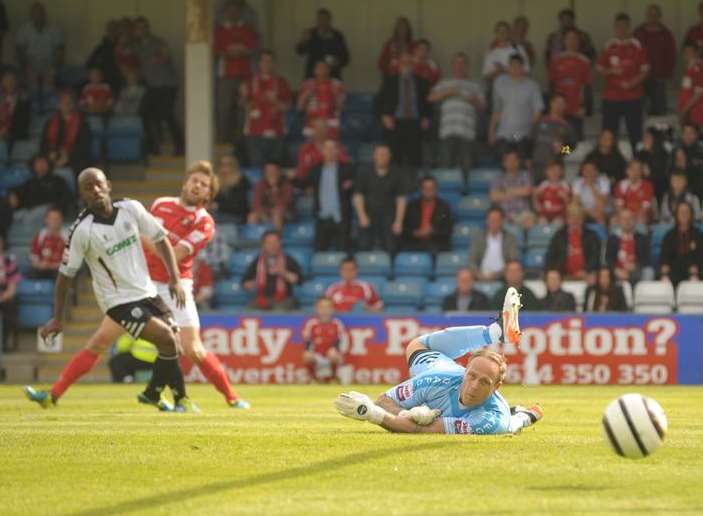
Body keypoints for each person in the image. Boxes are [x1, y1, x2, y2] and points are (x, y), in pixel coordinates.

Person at [24, 167, 197, 412]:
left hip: (147, 292)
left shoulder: (131, 209)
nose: (95, 190)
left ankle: (158, 395)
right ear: (81, 194)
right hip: (118, 302)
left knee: (173, 345)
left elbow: (160, 239)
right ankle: (173, 398)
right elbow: (65, 276)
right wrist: (57, 317)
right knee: (166, 339)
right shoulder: (82, 231)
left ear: (108, 185)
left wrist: (175, 278)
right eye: (87, 187)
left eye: (98, 184)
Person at [334, 289, 543, 435]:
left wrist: (373, 414)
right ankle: (495, 332)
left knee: (507, 426)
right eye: (471, 376)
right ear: (464, 372)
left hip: (496, 414)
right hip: (435, 358)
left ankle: (525, 415)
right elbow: (384, 400)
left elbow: (421, 430)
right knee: (416, 346)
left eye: (484, 382)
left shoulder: (491, 418)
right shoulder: (436, 379)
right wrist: (406, 413)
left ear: (497, 387)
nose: (473, 386)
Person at [140, 161, 249, 408]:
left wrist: (146, 239)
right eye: (194, 181)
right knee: (163, 344)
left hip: (176, 286)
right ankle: (164, 397)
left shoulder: (205, 223)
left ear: (208, 195)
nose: (197, 186)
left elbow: (175, 255)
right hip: (145, 284)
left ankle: (232, 397)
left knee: (193, 348)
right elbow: (144, 237)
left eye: (204, 185)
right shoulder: (160, 204)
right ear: (185, 182)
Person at [428, 52, 484, 189]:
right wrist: (449, 92)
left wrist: (474, 100)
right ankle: (445, 193)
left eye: (463, 63)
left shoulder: (475, 85)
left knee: (466, 165)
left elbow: (482, 106)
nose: (460, 65)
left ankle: (465, 192)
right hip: (447, 131)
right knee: (446, 164)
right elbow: (430, 98)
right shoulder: (444, 82)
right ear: (452, 65)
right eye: (457, 63)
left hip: (467, 132)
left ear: (467, 66)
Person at [597, 13, 650, 152]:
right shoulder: (609, 45)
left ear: (629, 28)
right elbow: (600, 69)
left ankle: (638, 161)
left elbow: (645, 70)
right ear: (615, 28)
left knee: (635, 133)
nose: (621, 29)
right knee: (608, 133)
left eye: (624, 26)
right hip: (611, 97)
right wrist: (612, 71)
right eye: (618, 26)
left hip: (632, 97)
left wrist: (632, 83)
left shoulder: (637, 46)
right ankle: (607, 162)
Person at [134, 17, 184, 155]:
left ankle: (180, 146)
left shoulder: (157, 42)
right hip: (152, 86)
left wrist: (157, 58)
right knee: (145, 113)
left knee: (167, 115)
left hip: (167, 84)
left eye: (143, 27)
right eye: (138, 28)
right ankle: (153, 147)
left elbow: (165, 55)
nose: (141, 30)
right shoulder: (137, 46)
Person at [295, 139, 354, 252]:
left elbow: (358, 186)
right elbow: (301, 183)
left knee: (343, 253)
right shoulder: (315, 170)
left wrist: (352, 184)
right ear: (322, 151)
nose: (330, 151)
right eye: (327, 148)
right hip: (322, 218)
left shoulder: (348, 169)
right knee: (319, 252)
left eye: (333, 148)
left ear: (337, 151)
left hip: (341, 218)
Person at [378, 52, 431, 170]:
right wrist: (384, 116)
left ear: (413, 65)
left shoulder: (422, 82)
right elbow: (378, 103)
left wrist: (426, 117)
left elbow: (428, 104)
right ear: (399, 65)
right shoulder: (389, 81)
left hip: (415, 123)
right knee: (395, 160)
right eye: (403, 62)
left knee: (415, 159)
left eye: (409, 63)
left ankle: (413, 186)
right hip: (395, 123)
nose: (406, 65)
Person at [214, 0, 258, 144]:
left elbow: (253, 49)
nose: (233, 13)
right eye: (230, 10)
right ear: (226, 11)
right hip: (225, 75)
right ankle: (222, 140)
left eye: (236, 10)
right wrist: (228, 52)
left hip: (245, 75)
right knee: (224, 108)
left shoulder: (247, 29)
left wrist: (242, 51)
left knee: (242, 108)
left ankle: (241, 140)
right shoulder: (220, 30)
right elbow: (216, 51)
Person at [240, 50, 292, 166]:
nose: (267, 64)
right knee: (257, 167)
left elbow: (287, 107)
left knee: (275, 167)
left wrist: (276, 101)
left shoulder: (281, 82)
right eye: (264, 61)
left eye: (270, 61)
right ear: (259, 63)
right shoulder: (249, 82)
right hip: (254, 132)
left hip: (277, 131)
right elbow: (243, 105)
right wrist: (243, 97)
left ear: (274, 63)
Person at [489, 53, 543, 160]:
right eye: (512, 65)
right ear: (508, 67)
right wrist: (491, 131)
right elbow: (496, 110)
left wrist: (563, 149)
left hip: (523, 135)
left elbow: (538, 112)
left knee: (522, 162)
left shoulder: (532, 86)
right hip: (503, 134)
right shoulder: (500, 83)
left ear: (523, 67)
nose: (514, 68)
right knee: (504, 162)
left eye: (517, 65)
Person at [353, 144, 406, 252]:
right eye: (379, 154)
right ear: (374, 156)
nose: (382, 157)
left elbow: (401, 199)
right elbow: (358, 196)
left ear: (390, 156)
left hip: (389, 218)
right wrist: (362, 216)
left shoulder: (397, 173)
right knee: (363, 248)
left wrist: (398, 221)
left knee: (391, 248)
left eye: (385, 154)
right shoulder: (363, 172)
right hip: (368, 216)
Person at [15, 2, 64, 104]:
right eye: (35, 13)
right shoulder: (24, 29)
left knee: (49, 87)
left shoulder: (54, 28)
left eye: (40, 13)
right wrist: (25, 68)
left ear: (44, 14)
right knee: (32, 88)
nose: (38, 16)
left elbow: (60, 51)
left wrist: (54, 69)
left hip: (49, 63)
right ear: (31, 15)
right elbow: (19, 51)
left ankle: (48, 110)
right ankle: (34, 108)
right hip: (31, 63)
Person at [548, 28, 592, 141]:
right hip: (559, 110)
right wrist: (551, 106)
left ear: (578, 41)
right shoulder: (556, 60)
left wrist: (585, 107)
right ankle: (561, 156)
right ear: (564, 41)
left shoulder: (584, 61)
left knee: (573, 143)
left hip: (576, 110)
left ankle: (567, 155)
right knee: (557, 141)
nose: (572, 41)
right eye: (569, 38)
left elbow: (587, 87)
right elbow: (551, 85)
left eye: (575, 38)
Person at [242, 230, 303, 311]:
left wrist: (283, 272)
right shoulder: (257, 261)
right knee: (248, 310)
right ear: (263, 245)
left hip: (285, 299)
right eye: (269, 243)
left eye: (275, 242)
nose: (272, 246)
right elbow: (245, 283)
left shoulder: (289, 260)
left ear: (280, 243)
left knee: (278, 310)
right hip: (263, 299)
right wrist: (255, 282)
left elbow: (299, 280)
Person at [633, 4, 676, 116]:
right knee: (639, 111)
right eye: (650, 14)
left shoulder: (666, 34)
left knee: (660, 111)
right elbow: (631, 53)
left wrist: (668, 74)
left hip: (659, 77)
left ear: (660, 16)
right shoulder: (638, 32)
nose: (652, 17)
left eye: (655, 15)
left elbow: (671, 55)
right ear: (646, 16)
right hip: (640, 78)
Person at [545, 203, 601, 283]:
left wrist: (587, 271)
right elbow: (550, 256)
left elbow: (595, 256)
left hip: (586, 276)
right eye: (572, 218)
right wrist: (556, 273)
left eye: (578, 218)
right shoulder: (559, 235)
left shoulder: (591, 236)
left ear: (582, 219)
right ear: (567, 219)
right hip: (563, 276)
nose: (575, 221)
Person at [40, 92, 92, 174]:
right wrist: (50, 153)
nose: (65, 105)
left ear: (73, 105)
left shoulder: (82, 123)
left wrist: (68, 157)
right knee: (38, 163)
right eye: (63, 102)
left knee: (80, 166)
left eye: (68, 102)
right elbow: (44, 142)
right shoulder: (50, 122)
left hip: (74, 157)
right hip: (53, 155)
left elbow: (84, 146)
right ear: (58, 105)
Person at [468, 206, 521, 281]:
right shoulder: (478, 238)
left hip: (503, 278)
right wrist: (479, 275)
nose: (493, 223)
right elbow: (472, 261)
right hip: (480, 277)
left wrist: (497, 275)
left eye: (497, 220)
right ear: (487, 220)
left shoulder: (510, 238)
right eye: (491, 220)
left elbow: (513, 261)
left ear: (502, 221)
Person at [9, 154, 74, 215]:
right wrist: (13, 195)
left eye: (43, 162)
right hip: (29, 213)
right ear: (33, 166)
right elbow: (19, 195)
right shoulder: (29, 182)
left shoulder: (58, 180)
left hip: (50, 212)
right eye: (38, 162)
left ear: (48, 164)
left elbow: (65, 199)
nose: (41, 165)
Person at [531, 94, 575, 183]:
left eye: (562, 103)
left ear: (565, 106)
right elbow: (530, 142)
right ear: (551, 103)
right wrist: (529, 159)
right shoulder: (540, 122)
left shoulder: (567, 126)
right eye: (556, 102)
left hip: (555, 168)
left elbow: (572, 147)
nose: (558, 106)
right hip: (538, 165)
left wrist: (562, 149)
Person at [402, 175, 452, 254]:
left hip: (436, 243)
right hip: (414, 242)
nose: (428, 190)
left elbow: (447, 230)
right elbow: (404, 228)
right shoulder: (411, 206)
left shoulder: (444, 207)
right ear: (421, 189)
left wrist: (432, 231)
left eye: (431, 188)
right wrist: (415, 233)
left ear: (436, 189)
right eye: (425, 188)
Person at [295, 8, 350, 79]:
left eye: (325, 19)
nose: (323, 22)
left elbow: (346, 59)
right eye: (320, 19)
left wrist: (337, 61)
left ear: (330, 20)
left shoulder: (338, 36)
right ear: (317, 21)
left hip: (333, 76)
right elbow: (299, 51)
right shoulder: (310, 33)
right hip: (313, 76)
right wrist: (303, 41)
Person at [297, 60, 345, 139]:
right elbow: (299, 107)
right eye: (319, 67)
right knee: (313, 149)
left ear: (329, 70)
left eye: (324, 67)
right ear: (314, 70)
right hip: (311, 123)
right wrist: (307, 94)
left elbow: (341, 108)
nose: (321, 70)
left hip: (330, 123)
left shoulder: (336, 84)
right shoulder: (307, 84)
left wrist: (335, 95)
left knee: (330, 149)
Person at [302, 297, 346, 383]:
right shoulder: (312, 324)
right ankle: (313, 379)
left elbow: (341, 341)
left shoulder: (337, 324)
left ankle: (333, 378)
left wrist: (335, 350)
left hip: (331, 355)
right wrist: (309, 351)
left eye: (327, 308)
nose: (324, 311)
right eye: (322, 307)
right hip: (317, 355)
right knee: (307, 355)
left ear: (332, 309)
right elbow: (307, 342)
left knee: (333, 354)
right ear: (317, 309)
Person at [659, 202, 703, 286]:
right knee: (664, 281)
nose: (684, 215)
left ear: (691, 215)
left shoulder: (698, 235)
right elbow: (664, 257)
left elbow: (701, 256)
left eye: (686, 212)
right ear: (676, 215)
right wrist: (665, 269)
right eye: (681, 212)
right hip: (673, 271)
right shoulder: (669, 235)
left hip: (693, 271)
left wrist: (697, 267)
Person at [489, 150, 534, 229]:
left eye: (514, 160)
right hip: (504, 214)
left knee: (530, 221)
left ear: (518, 162)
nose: (511, 162)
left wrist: (506, 191)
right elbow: (493, 197)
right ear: (504, 163)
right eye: (509, 160)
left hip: (522, 213)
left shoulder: (525, 175)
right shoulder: (498, 178)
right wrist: (518, 191)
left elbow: (527, 191)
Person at [606, 208, 651, 284]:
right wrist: (616, 270)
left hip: (636, 271)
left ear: (635, 220)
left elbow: (646, 259)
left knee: (648, 271)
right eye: (624, 219)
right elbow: (608, 259)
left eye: (630, 218)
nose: (627, 221)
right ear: (619, 221)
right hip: (618, 271)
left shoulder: (642, 238)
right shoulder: (612, 239)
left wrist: (636, 266)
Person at [249, 161, 294, 230]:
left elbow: (284, 204)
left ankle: (276, 238)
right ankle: (254, 239)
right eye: (268, 171)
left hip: (286, 213)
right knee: (252, 216)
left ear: (279, 172)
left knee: (277, 214)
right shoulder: (261, 184)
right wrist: (263, 212)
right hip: (266, 212)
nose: (271, 173)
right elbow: (256, 203)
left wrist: (274, 189)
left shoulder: (287, 185)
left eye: (273, 171)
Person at [85, 20, 121, 94]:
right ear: (107, 31)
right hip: (101, 83)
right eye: (110, 29)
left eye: (114, 29)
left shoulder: (122, 47)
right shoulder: (100, 48)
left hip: (118, 82)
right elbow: (89, 64)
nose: (112, 32)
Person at [28, 207, 65, 280]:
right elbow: (34, 258)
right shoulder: (40, 236)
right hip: (41, 269)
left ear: (61, 220)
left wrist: (53, 266)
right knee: (31, 272)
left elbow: (68, 262)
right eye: (51, 218)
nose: (54, 221)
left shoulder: (66, 237)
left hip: (57, 269)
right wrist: (40, 265)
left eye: (57, 219)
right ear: (46, 220)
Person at [613, 159, 655, 224]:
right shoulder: (621, 185)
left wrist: (633, 218)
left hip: (641, 215)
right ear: (627, 171)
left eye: (638, 169)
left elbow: (645, 208)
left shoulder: (647, 186)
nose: (635, 172)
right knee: (614, 220)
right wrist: (626, 218)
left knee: (641, 219)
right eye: (633, 169)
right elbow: (619, 207)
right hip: (625, 215)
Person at [212, 154, 250, 223]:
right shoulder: (216, 181)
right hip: (218, 215)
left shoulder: (241, 180)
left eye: (229, 164)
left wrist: (219, 206)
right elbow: (213, 200)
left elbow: (240, 206)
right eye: (222, 164)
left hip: (236, 216)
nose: (225, 167)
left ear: (234, 166)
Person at [572, 160, 611, 225]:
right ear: (582, 172)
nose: (589, 172)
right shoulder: (577, 182)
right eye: (586, 170)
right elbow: (576, 202)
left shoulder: (604, 181)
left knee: (600, 216)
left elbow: (601, 204)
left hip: (601, 210)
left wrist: (591, 186)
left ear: (596, 171)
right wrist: (588, 211)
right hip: (584, 210)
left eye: (591, 170)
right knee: (575, 212)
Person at [533, 160, 571, 225]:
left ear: (561, 172)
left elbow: (570, 204)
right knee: (542, 222)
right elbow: (537, 204)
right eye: (552, 170)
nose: (554, 173)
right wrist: (535, 197)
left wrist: (565, 198)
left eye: (557, 171)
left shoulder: (565, 185)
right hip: (545, 215)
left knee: (557, 223)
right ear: (547, 172)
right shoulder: (543, 185)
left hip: (559, 216)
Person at [0, 70, 30, 148]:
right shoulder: (2, 99)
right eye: (7, 82)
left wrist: (7, 132)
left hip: (13, 136)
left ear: (16, 84)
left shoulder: (23, 100)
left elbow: (24, 124)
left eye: (12, 82)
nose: (9, 85)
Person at [673, 124, 703, 200]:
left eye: (691, 133)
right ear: (682, 135)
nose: (688, 136)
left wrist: (687, 164)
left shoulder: (701, 152)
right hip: (679, 194)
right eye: (685, 133)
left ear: (696, 135)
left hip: (699, 194)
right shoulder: (675, 151)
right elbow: (668, 173)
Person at [0, 234, 19, 350]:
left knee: (10, 305)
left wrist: (2, 297)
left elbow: (12, 288)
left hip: (4, 295)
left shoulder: (9, 261)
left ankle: (4, 342)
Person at [678, 41, 703, 129]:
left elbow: (699, 93)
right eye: (685, 52)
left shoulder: (698, 68)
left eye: (690, 52)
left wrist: (684, 110)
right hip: (688, 110)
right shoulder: (689, 68)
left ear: (696, 53)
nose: (687, 54)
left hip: (695, 112)